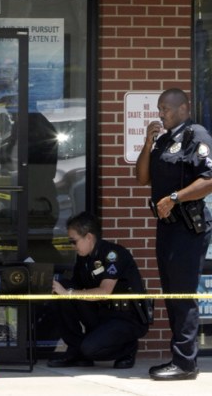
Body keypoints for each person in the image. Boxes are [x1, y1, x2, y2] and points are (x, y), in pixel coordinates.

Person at [136, 87, 212, 381]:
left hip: (187, 228)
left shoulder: (197, 136)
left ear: (183, 108)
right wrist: (147, 143)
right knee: (171, 294)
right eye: (159, 109)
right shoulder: (164, 139)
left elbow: (209, 179)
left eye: (165, 109)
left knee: (182, 295)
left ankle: (185, 363)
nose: (160, 114)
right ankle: (179, 359)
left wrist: (175, 198)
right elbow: (142, 177)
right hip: (166, 228)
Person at [49, 211, 150, 369]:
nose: (72, 246)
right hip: (101, 313)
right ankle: (75, 350)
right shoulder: (84, 259)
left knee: (90, 349)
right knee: (61, 290)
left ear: (89, 237)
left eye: (74, 241)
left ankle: (127, 348)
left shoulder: (112, 255)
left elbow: (104, 291)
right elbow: (74, 285)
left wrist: (68, 293)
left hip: (124, 317)